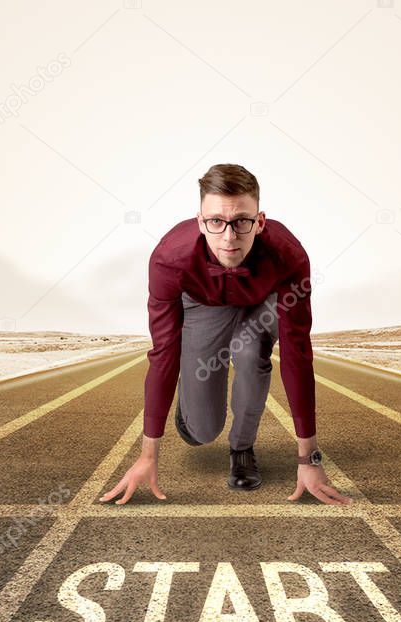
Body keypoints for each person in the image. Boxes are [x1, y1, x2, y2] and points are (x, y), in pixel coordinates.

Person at [99, 163, 352, 506]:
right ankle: (191, 409)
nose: (229, 237)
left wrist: (309, 457)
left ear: (260, 222)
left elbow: (297, 352)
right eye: (216, 222)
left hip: (263, 302)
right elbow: (163, 353)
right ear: (200, 222)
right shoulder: (168, 260)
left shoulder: (289, 256)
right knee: (201, 431)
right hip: (203, 305)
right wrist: (148, 455)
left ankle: (242, 449)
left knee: (250, 356)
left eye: (241, 222)